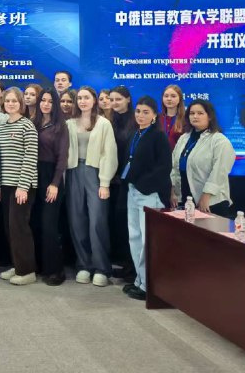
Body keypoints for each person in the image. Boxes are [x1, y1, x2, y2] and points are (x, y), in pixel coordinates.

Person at [65, 86, 117, 287]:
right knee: (77, 220)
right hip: (73, 172)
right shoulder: (69, 123)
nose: (82, 101)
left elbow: (109, 154)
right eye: (79, 98)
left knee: (97, 221)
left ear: (94, 100)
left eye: (86, 98)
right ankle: (84, 265)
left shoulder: (104, 124)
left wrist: (105, 182)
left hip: (95, 173)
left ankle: (101, 267)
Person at [121, 96, 172, 301]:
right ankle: (140, 280)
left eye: (145, 112)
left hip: (150, 194)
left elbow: (164, 168)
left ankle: (149, 285)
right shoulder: (136, 134)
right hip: (132, 191)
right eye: (138, 111)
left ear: (154, 116)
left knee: (147, 240)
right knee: (135, 237)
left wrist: (144, 186)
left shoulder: (158, 136)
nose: (140, 115)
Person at [0, 88, 39, 286]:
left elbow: (31, 157)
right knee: (9, 228)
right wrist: (0, 185)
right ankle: (17, 265)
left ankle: (27, 271)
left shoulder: (27, 125)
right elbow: (2, 160)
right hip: (6, 185)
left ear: (21, 103)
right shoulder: (3, 126)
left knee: (19, 227)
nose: (11, 104)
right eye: (7, 101)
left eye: (14, 101)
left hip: (22, 186)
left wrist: (23, 186)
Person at [171, 100, 237, 218]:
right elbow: (174, 167)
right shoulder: (184, 138)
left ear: (210, 116)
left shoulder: (219, 141)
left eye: (200, 113)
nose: (195, 116)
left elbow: (220, 172)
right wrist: (173, 192)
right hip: (185, 198)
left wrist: (206, 196)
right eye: (192, 113)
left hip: (211, 202)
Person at [32, 88, 69, 286]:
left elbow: (62, 158)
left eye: (50, 101)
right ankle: (39, 265)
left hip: (51, 177)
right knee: (35, 223)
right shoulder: (33, 123)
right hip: (33, 176)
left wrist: (55, 183)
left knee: (49, 225)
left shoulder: (60, 126)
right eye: (43, 100)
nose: (46, 104)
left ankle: (55, 270)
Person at [108, 85, 137, 280]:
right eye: (112, 100)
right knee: (115, 223)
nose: (114, 103)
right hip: (110, 179)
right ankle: (120, 262)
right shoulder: (108, 120)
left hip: (128, 180)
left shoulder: (135, 120)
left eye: (118, 99)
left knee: (128, 224)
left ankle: (131, 266)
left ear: (128, 99)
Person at [159, 84, 186, 149]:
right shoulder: (157, 119)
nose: (169, 99)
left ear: (180, 98)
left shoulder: (185, 119)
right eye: (166, 96)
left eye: (173, 96)